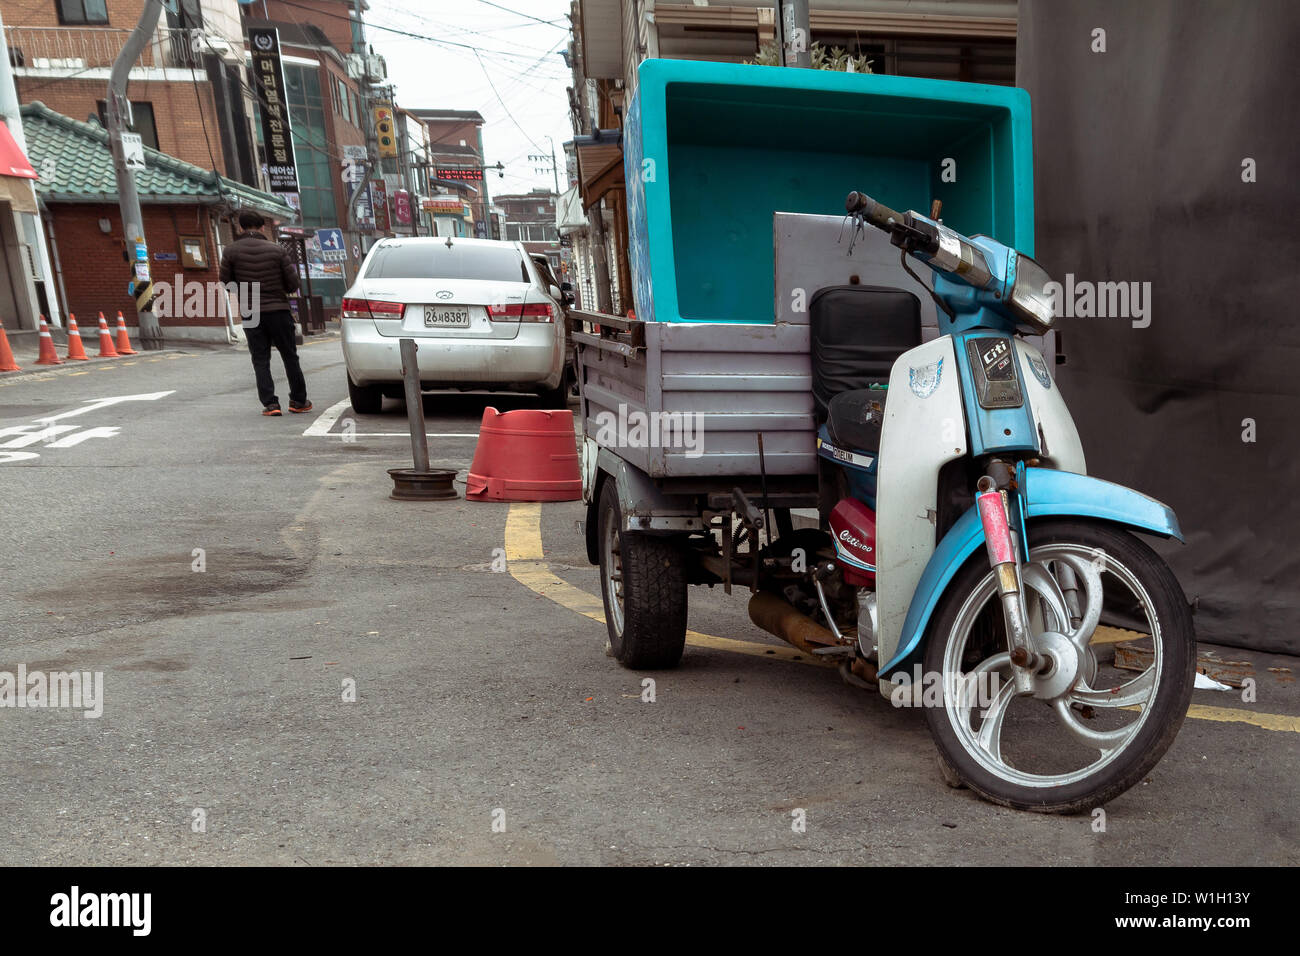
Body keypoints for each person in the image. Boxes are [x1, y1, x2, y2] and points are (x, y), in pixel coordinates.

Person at [219, 210, 311, 416]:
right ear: (262, 227)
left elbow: (225, 281)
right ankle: (298, 401)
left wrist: (244, 292)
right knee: (289, 356)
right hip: (278, 309)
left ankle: (271, 404)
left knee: (260, 358)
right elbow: (292, 283)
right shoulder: (276, 250)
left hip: (251, 311)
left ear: (240, 228)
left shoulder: (231, 251)